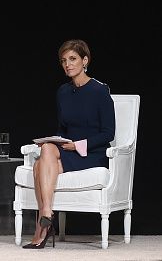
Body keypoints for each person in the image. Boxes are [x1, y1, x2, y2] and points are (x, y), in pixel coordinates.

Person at [23, 39, 115, 249]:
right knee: (45, 150)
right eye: (63, 60)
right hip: (68, 151)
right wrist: (54, 141)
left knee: (39, 166)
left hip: (91, 154)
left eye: (73, 59)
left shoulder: (100, 91)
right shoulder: (63, 92)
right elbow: (63, 129)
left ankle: (43, 226)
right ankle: (46, 213)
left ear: (85, 61)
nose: (68, 64)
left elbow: (108, 134)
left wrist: (78, 145)